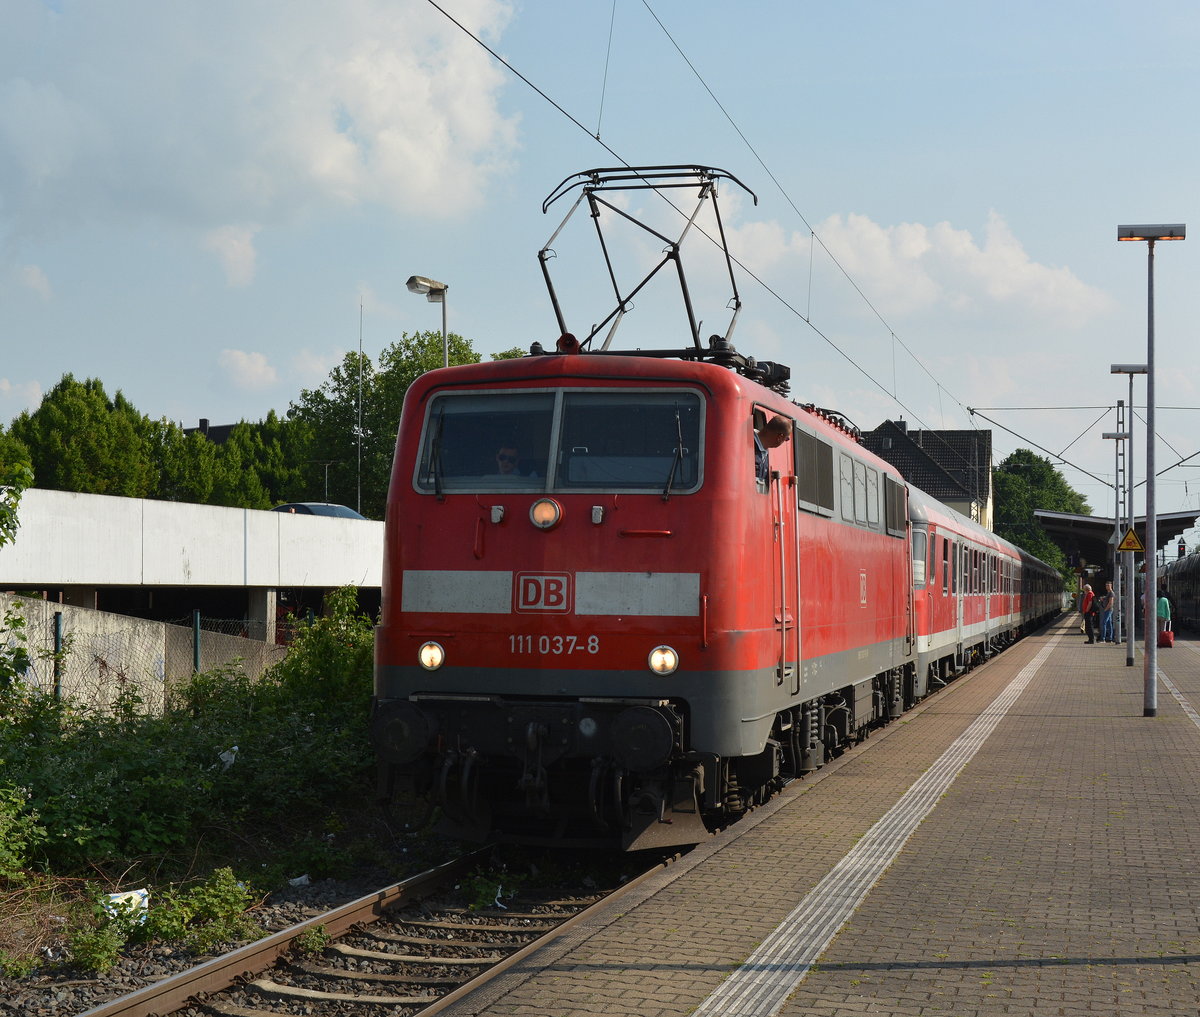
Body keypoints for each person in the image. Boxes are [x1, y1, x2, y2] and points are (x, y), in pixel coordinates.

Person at [754, 415, 792, 487]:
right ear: (779, 437)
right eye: (786, 439)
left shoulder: (764, 452)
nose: (785, 441)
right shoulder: (748, 445)